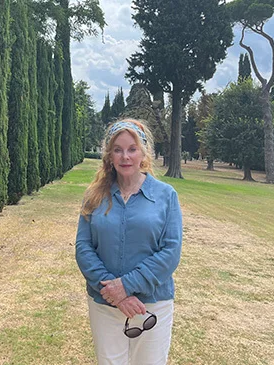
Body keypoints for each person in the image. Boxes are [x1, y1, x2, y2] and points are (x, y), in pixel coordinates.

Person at [75, 118, 183, 365]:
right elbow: (84, 247)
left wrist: (127, 285)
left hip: (152, 305)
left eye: (132, 149)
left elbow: (170, 251)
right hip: (105, 304)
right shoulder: (94, 196)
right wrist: (117, 294)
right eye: (118, 149)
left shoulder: (166, 196)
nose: (125, 156)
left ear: (143, 152)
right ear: (109, 155)